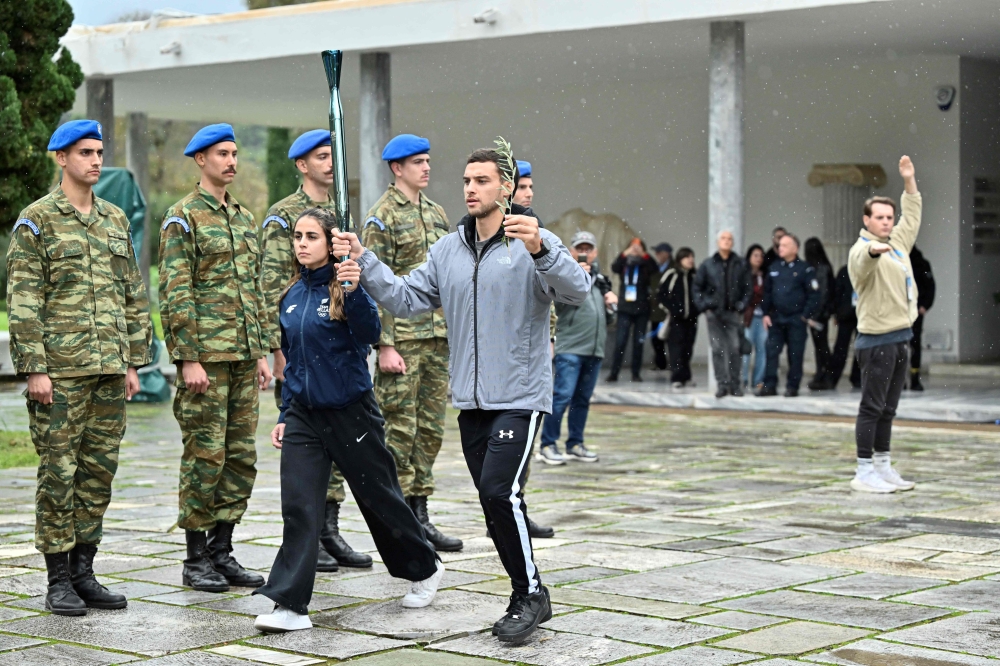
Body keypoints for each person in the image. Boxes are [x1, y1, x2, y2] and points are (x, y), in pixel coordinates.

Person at [331, 147, 590, 644]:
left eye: (482, 180)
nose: (470, 188)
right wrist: (366, 261)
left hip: (520, 394)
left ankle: (530, 594)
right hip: (470, 401)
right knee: (493, 503)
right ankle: (526, 591)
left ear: (506, 189)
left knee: (500, 491)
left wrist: (543, 251)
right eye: (467, 180)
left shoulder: (533, 241)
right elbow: (406, 299)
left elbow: (576, 292)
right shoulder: (448, 250)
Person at [253, 209, 444, 633]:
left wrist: (355, 290)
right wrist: (286, 414)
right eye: (298, 237)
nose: (301, 243)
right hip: (304, 414)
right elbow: (295, 364)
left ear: (330, 242)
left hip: (351, 412)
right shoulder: (292, 296)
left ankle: (424, 567)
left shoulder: (345, 288)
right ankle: (290, 604)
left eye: (311, 237)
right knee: (300, 507)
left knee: (380, 498)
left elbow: (368, 332)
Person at [7, 120, 152, 616]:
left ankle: (84, 570)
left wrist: (135, 361)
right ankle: (57, 579)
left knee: (98, 472)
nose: (95, 161)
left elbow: (132, 292)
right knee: (58, 472)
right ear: (60, 158)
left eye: (98, 152)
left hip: (110, 367)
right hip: (61, 374)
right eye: (85, 153)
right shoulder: (37, 220)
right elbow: (25, 299)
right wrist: (35, 368)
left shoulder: (113, 219)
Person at [159, 124, 272, 592]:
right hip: (206, 359)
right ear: (200, 160)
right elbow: (175, 290)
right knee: (205, 456)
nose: (231, 161)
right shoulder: (182, 217)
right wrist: (187, 358)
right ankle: (194, 558)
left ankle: (222, 551)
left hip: (244, 357)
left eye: (234, 153)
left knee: (241, 457)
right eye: (221, 154)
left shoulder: (244, 218)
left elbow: (257, 289)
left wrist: (264, 350)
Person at [259, 129, 371, 572]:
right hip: (301, 347)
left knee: (340, 444)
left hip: (337, 350)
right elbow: (272, 285)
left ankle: (330, 529)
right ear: (302, 165)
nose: (331, 163)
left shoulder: (340, 214)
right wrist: (278, 350)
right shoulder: (283, 216)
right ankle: (310, 537)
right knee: (306, 450)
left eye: (334, 156)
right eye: (322, 157)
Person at [362, 134, 462, 553]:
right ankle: (399, 518)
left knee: (430, 430)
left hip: (436, 336)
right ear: (396, 169)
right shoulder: (381, 216)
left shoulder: (437, 212)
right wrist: (384, 344)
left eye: (427, 160)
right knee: (399, 432)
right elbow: (372, 283)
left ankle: (421, 513)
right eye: (417, 162)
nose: (426, 167)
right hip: (402, 341)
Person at [848, 156, 921, 494]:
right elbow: (861, 266)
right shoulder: (861, 249)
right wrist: (873, 251)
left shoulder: (898, 245)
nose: (886, 223)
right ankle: (863, 470)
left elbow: (913, 217)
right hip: (876, 340)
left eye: (889, 218)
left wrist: (909, 181)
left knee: (888, 408)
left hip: (901, 336)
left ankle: (882, 465)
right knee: (872, 406)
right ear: (867, 220)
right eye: (879, 218)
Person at [538, 231, 616, 465]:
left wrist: (611, 306)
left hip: (595, 350)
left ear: (595, 252)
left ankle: (575, 444)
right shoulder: (565, 275)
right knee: (561, 397)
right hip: (570, 347)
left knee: (582, 400)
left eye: (588, 248)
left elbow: (607, 319)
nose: (584, 252)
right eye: (579, 248)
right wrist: (578, 279)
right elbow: (559, 307)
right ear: (571, 251)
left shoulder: (601, 281)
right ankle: (547, 444)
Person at [756, 233, 820, 398]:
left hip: (796, 319)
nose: (780, 248)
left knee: (795, 354)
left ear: (795, 248)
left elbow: (813, 295)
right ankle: (769, 385)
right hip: (776, 318)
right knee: (772, 352)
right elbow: (767, 293)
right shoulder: (774, 268)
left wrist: (805, 315)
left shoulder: (805, 269)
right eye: (779, 245)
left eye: (784, 245)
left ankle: (793, 386)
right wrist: (765, 313)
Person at [693, 230, 750, 397]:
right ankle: (722, 385)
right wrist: (704, 305)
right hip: (714, 314)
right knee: (718, 349)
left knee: (734, 348)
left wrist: (742, 305)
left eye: (730, 239)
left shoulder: (740, 264)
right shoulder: (708, 264)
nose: (726, 241)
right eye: (723, 238)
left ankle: (735, 384)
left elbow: (747, 288)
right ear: (718, 242)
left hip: (733, 313)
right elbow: (697, 287)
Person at [608, 238, 658, 382]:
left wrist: (643, 254)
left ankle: (636, 373)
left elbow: (654, 268)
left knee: (638, 342)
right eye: (632, 246)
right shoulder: (625, 262)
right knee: (620, 341)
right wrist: (626, 253)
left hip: (642, 308)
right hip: (625, 307)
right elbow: (615, 267)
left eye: (638, 247)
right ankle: (614, 372)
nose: (635, 249)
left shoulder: (645, 264)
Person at [658, 247, 699, 389]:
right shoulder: (672, 274)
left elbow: (702, 294)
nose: (690, 260)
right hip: (676, 319)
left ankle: (686, 376)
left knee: (688, 348)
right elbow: (661, 295)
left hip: (692, 319)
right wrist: (674, 310)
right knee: (676, 349)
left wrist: (697, 309)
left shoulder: (695, 276)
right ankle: (676, 377)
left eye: (692, 257)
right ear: (680, 259)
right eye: (687, 257)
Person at [804, 238, 836, 391]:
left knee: (821, 345)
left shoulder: (820, 268)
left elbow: (821, 293)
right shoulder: (822, 267)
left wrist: (814, 314)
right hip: (821, 313)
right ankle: (822, 374)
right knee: (820, 345)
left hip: (819, 314)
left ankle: (825, 375)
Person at [826, 264, 862, 390]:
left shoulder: (870, 268)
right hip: (846, 314)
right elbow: (837, 292)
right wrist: (836, 312)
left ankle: (857, 378)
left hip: (863, 315)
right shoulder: (845, 271)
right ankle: (833, 378)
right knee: (840, 348)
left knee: (861, 348)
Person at [908, 245, 935, 391]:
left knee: (915, 343)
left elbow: (930, 286)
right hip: (899, 310)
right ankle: (900, 379)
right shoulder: (896, 262)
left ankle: (914, 377)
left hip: (915, 310)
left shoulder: (921, 264)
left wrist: (925, 305)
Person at [742, 244, 767, 391]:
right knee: (746, 350)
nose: (759, 259)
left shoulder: (764, 275)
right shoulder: (744, 275)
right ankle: (743, 379)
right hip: (748, 317)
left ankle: (758, 380)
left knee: (762, 350)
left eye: (761, 256)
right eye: (755, 255)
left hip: (761, 316)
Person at [648, 242, 673, 372]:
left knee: (671, 339)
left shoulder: (673, 269)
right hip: (655, 310)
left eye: (659, 252)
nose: (657, 255)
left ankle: (674, 364)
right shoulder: (655, 268)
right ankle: (660, 363)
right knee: (656, 339)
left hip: (668, 311)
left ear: (666, 254)